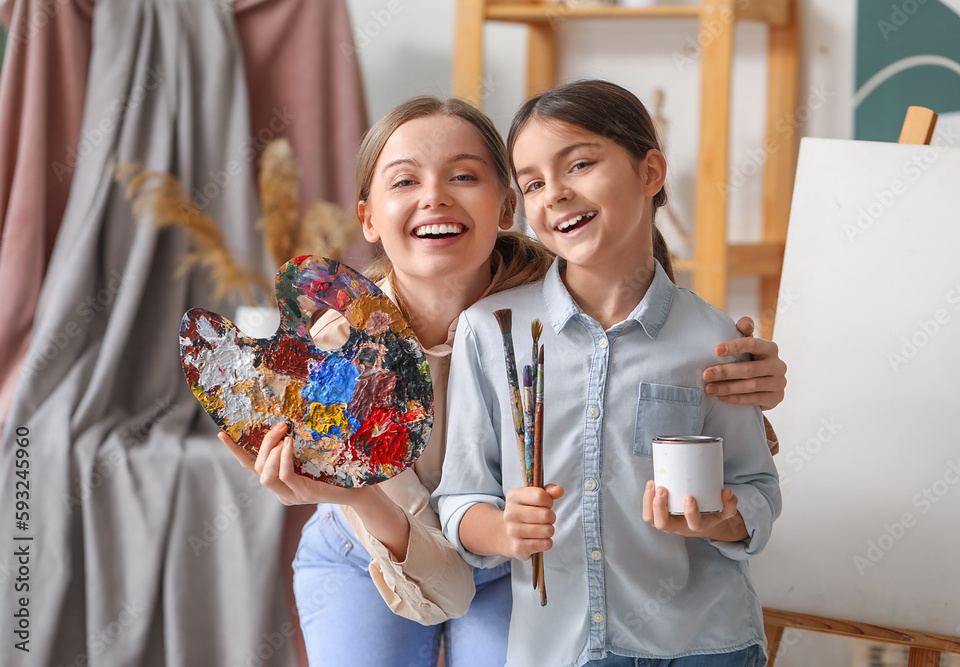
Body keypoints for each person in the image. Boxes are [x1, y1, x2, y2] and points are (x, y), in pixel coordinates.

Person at [219, 94, 785, 666]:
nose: (434, 196)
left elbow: (677, 410)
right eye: (404, 181)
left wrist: (753, 383)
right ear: (368, 218)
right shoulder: (341, 354)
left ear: (506, 206)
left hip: (521, 568)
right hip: (368, 549)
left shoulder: (560, 302)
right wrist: (353, 491)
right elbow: (444, 577)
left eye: (463, 175)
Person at [432, 80, 781, 667]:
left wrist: (723, 519)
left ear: (650, 173)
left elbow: (760, 492)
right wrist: (502, 530)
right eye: (534, 183)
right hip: (557, 652)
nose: (556, 193)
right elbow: (460, 498)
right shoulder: (489, 331)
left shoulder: (715, 339)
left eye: (581, 164)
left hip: (706, 646)